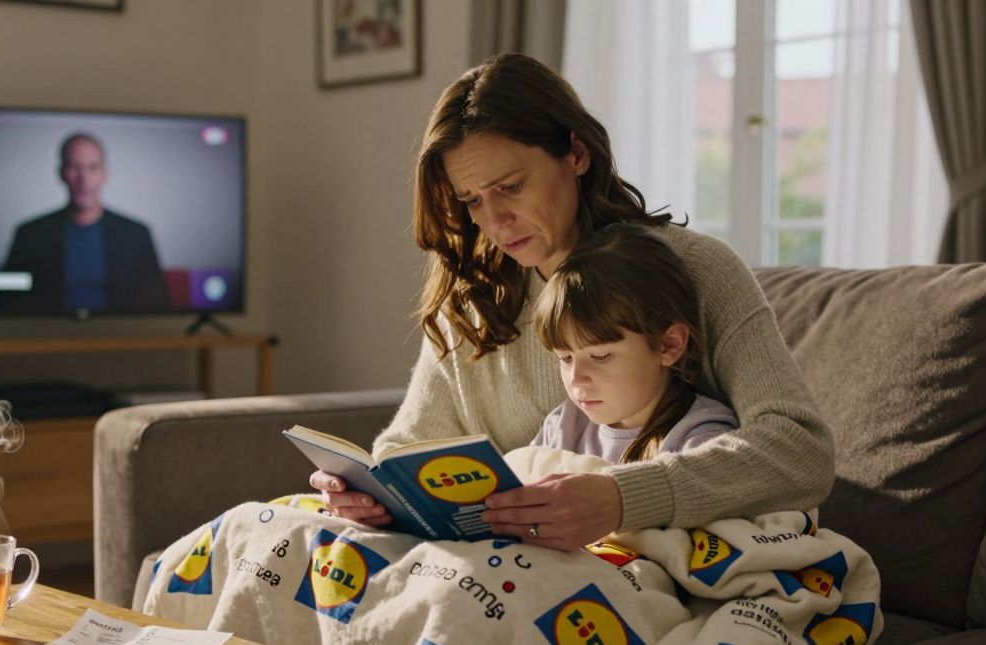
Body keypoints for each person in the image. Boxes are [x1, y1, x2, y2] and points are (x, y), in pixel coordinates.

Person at [316, 53, 834, 550]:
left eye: (511, 187)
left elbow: (800, 448)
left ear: (577, 153)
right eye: (472, 200)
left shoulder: (697, 270)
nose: (494, 221)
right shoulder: (472, 300)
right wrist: (372, 497)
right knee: (280, 533)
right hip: (503, 565)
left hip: (625, 577)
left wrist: (623, 498)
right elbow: (409, 448)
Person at [528, 222, 738, 468]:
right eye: (566, 358)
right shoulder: (562, 426)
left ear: (668, 345)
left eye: (601, 356)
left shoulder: (699, 437)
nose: (576, 379)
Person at [2, 132, 169, 313]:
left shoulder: (137, 235)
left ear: (104, 174)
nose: (83, 179)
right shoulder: (30, 235)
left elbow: (158, 304)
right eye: (74, 167)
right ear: (61, 173)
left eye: (93, 167)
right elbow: (8, 305)